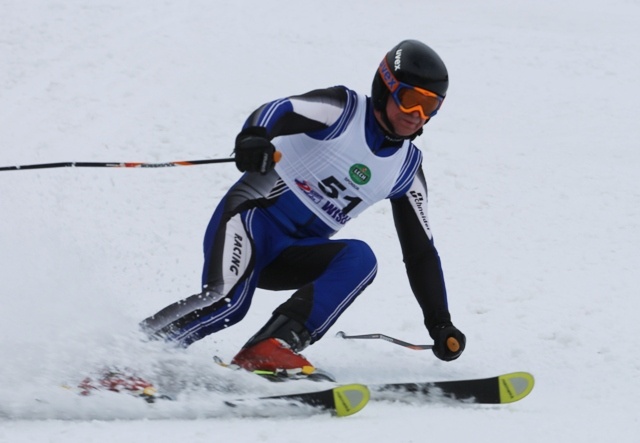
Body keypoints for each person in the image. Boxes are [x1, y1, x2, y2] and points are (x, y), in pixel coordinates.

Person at [140, 39, 466, 378]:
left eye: (431, 108)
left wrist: (440, 322)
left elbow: (420, 253)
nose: (418, 116)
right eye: (412, 101)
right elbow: (279, 110)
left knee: (361, 259)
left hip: (290, 256)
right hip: (249, 221)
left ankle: (268, 350)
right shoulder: (344, 110)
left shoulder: (407, 169)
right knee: (229, 304)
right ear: (386, 87)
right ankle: (133, 355)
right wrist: (254, 137)